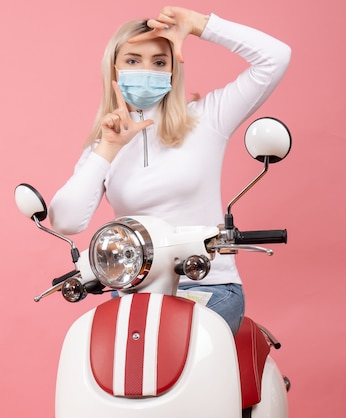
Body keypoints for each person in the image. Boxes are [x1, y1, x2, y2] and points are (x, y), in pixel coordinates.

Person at [48, 6, 291, 335]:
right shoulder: (104, 145)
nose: (146, 69)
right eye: (133, 60)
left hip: (209, 287)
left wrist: (200, 25)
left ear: (173, 72)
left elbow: (275, 57)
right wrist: (108, 148)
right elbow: (65, 220)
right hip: (136, 292)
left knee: (172, 344)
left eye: (159, 62)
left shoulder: (207, 119)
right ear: (114, 70)